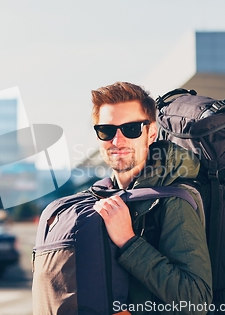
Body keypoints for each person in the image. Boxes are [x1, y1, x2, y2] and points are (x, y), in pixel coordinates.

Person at [91, 82, 212, 315]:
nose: (117, 141)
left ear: (151, 133)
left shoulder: (174, 200)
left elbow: (196, 300)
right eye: (106, 130)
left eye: (131, 129)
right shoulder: (100, 195)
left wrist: (128, 241)